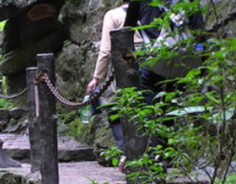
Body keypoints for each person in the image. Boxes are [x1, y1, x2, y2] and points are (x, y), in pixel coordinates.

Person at [86, 2, 142, 171]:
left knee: (114, 108)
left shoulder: (113, 15)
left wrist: (96, 77)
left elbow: (105, 50)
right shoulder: (148, 11)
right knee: (146, 107)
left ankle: (127, 152)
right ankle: (154, 155)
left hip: (123, 66)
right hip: (148, 63)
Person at [124, 0, 205, 105]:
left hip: (153, 63)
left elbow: (126, 31)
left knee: (151, 105)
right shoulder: (189, 1)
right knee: (179, 104)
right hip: (185, 63)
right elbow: (200, 31)